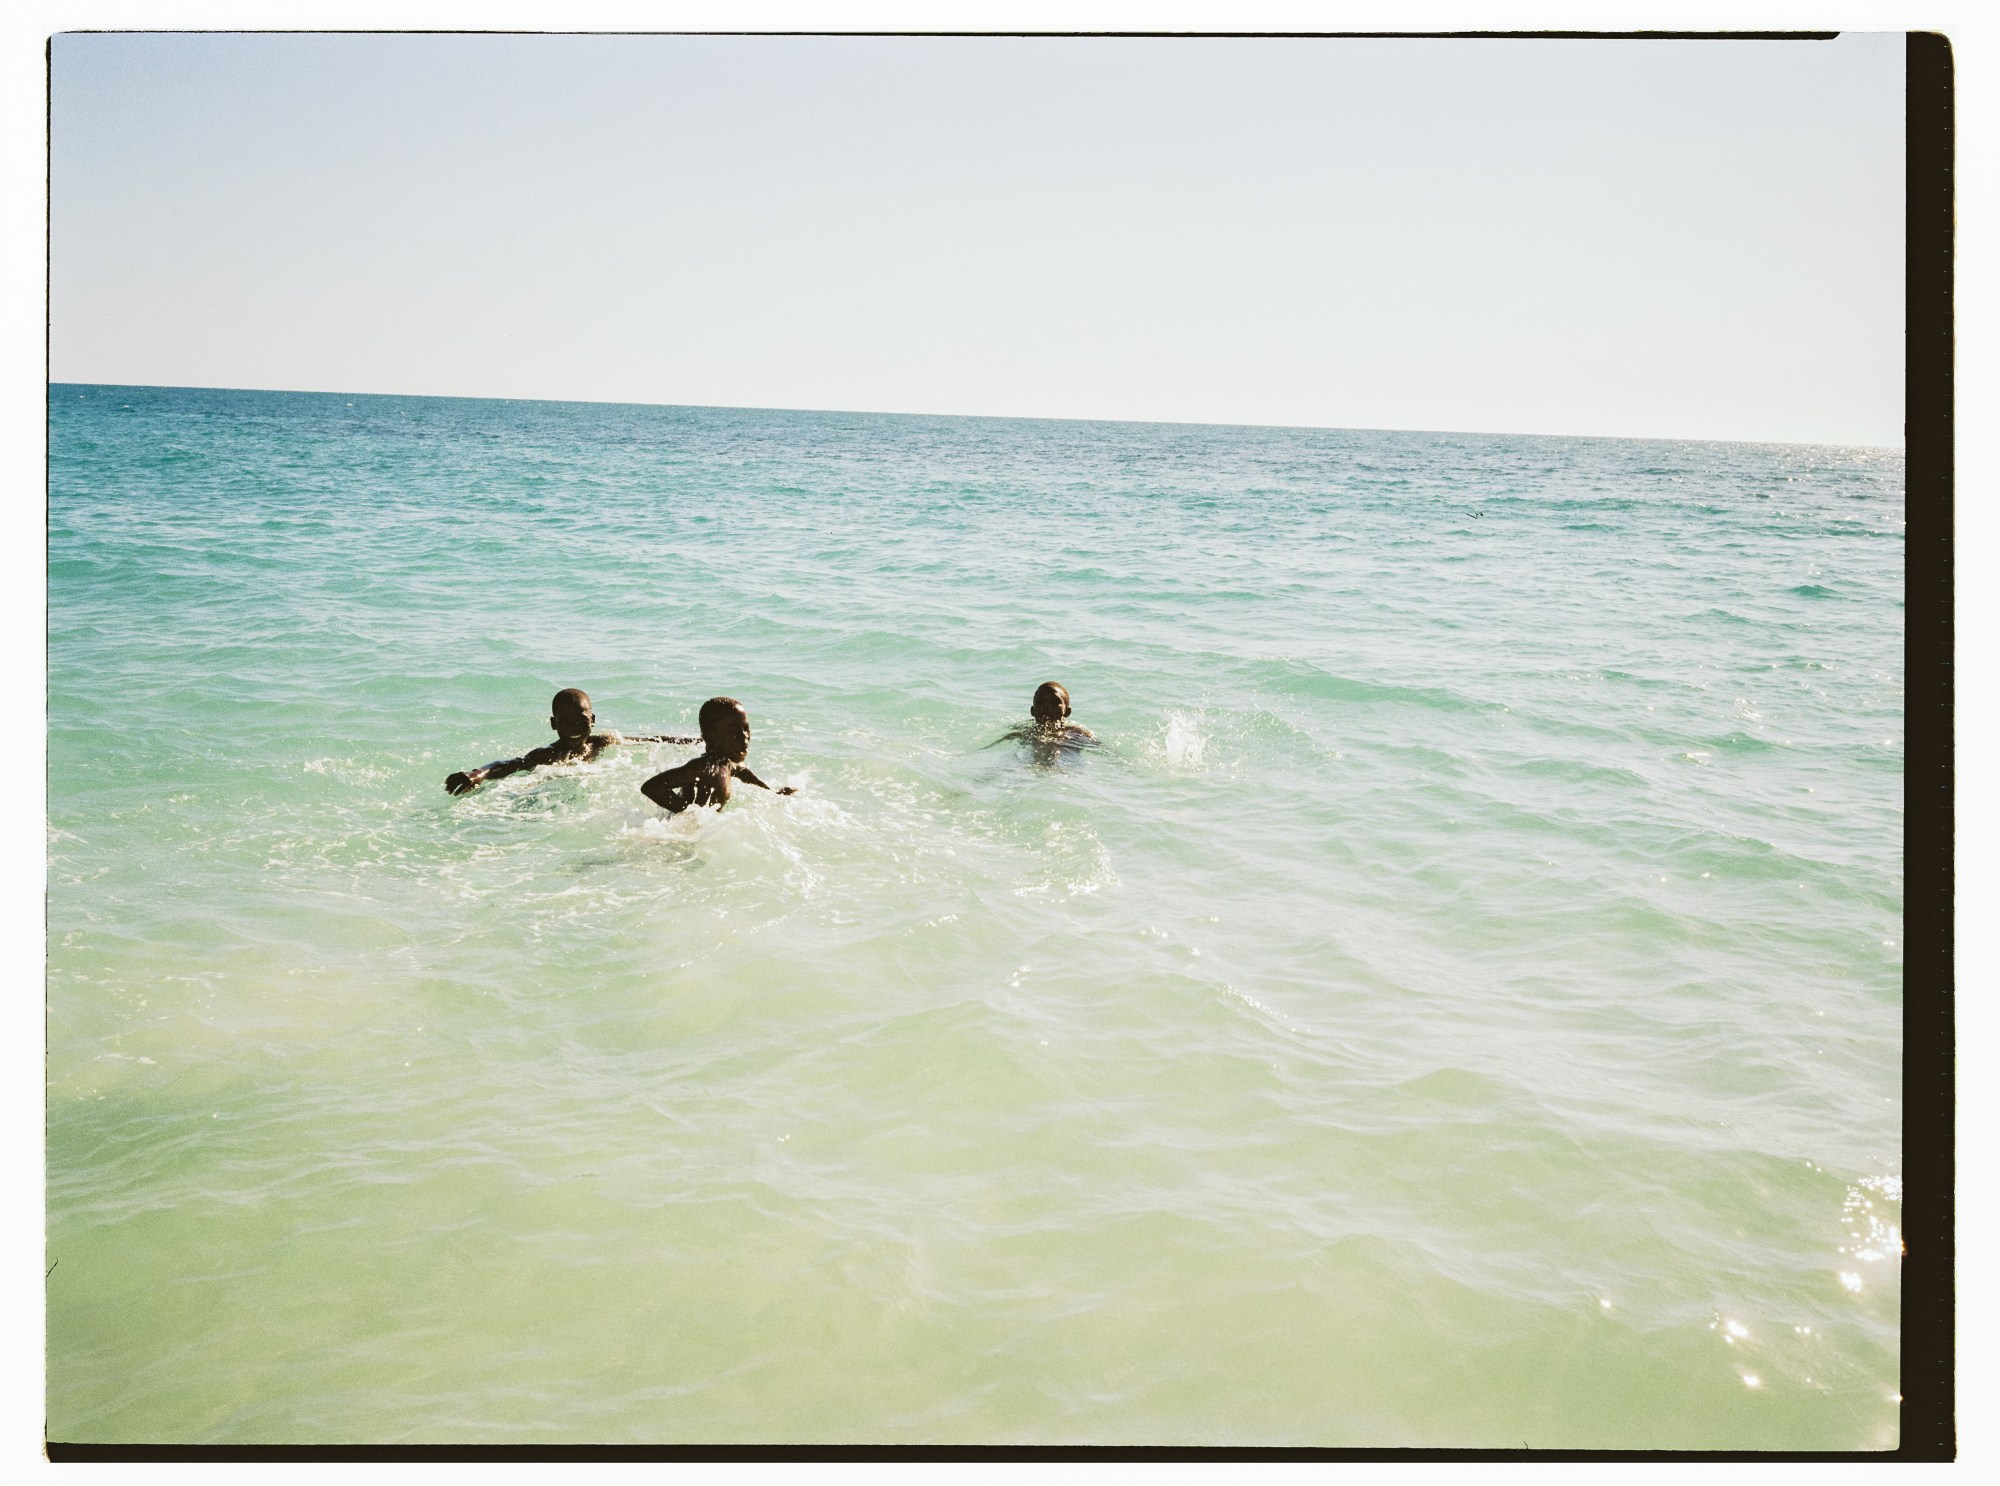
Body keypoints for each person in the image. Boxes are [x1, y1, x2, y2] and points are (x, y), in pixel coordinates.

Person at [444, 688, 694, 795]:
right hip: (543, 791)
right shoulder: (546, 755)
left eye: (580, 719)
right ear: (554, 724)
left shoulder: (601, 742)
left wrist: (691, 741)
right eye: (565, 721)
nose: (574, 727)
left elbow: (647, 740)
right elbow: (507, 765)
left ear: (593, 719)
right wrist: (478, 774)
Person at [639, 696, 796, 813]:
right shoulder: (705, 767)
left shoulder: (725, 763)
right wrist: (687, 814)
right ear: (710, 735)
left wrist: (773, 792)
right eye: (734, 731)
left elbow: (742, 771)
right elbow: (652, 787)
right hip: (678, 837)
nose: (744, 737)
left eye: (746, 728)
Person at [993, 681, 1097, 758]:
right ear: (1032, 711)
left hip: (1066, 765)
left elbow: (1102, 750)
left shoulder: (1077, 733)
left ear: (1067, 712)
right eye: (1041, 702)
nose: (1046, 706)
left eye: (1054, 702)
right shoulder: (1024, 732)